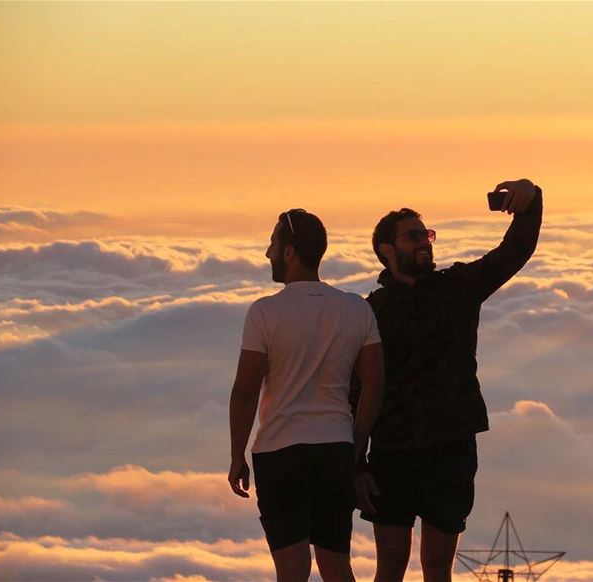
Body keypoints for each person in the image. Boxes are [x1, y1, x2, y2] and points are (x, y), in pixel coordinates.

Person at [352, 178, 543, 582]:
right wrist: (356, 464)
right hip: (391, 453)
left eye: (427, 234)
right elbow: (356, 392)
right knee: (390, 566)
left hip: (449, 450)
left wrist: (530, 199)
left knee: (437, 568)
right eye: (413, 236)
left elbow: (514, 252)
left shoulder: (456, 288)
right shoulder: (370, 313)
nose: (425, 242)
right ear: (387, 251)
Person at [228, 209, 384, 582]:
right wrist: (355, 445)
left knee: (293, 567)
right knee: (336, 563)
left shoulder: (265, 313)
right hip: (334, 449)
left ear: (289, 252)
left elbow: (246, 391)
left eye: (273, 243)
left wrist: (237, 455)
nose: (268, 252)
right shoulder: (355, 308)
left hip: (280, 451)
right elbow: (375, 384)